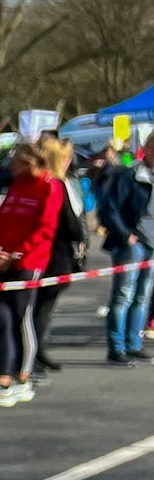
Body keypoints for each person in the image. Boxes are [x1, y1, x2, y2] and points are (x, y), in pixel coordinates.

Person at [0, 142, 62, 409]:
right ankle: (3, 379)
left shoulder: (49, 187)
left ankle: (21, 377)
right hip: (2, 263)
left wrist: (16, 255)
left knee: (21, 320)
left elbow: (45, 229)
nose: (13, 166)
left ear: (32, 162)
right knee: (2, 321)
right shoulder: (16, 186)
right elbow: (3, 221)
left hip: (27, 263)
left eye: (18, 161)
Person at [29, 138, 87, 377]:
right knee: (42, 307)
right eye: (64, 157)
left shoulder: (64, 182)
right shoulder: (54, 185)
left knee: (45, 307)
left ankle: (39, 350)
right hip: (54, 253)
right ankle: (35, 353)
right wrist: (78, 234)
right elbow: (67, 221)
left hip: (62, 253)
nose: (68, 161)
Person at [96, 130, 154, 366]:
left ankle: (134, 344)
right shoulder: (129, 176)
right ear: (148, 150)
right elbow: (109, 209)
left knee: (143, 295)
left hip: (152, 244)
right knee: (123, 295)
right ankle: (116, 347)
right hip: (133, 243)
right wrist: (126, 235)